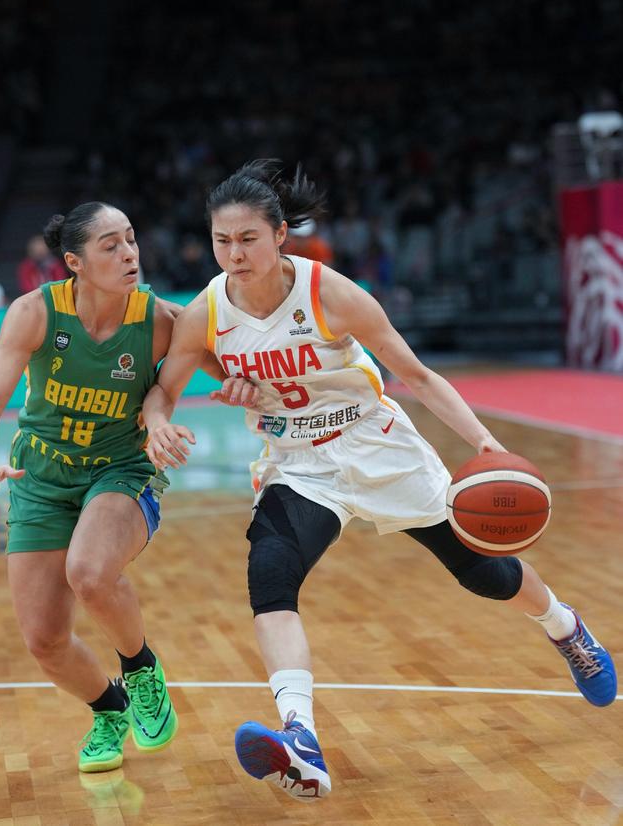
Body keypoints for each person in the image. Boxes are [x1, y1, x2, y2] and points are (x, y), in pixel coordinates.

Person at [142, 161, 617, 802]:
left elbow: (417, 376)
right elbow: (164, 390)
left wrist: (482, 441)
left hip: (376, 444)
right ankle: (301, 738)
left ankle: (566, 628)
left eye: (248, 239)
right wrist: (158, 423)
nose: (235, 254)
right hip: (299, 462)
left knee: (483, 572)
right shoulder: (208, 310)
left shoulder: (331, 294)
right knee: (270, 574)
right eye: (222, 241)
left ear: (280, 235)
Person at [0, 201, 246, 774]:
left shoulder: (161, 320)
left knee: (89, 573)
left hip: (121, 469)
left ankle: (140, 668)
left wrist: (245, 389)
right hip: (40, 476)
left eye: (131, 239)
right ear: (75, 262)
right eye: (110, 246)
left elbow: (233, 371)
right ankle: (110, 708)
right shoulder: (34, 313)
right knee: (44, 641)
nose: (129, 254)